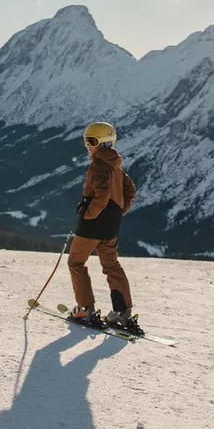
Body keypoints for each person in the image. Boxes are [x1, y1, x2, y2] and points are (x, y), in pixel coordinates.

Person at [66, 121, 142, 334]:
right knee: (111, 265)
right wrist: (118, 211)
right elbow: (131, 190)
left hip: (93, 225)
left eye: (92, 141)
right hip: (110, 226)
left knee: (76, 262)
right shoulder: (115, 164)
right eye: (85, 141)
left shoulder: (99, 165)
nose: (88, 146)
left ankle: (85, 309)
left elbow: (102, 195)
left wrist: (86, 213)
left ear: (105, 142)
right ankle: (122, 313)